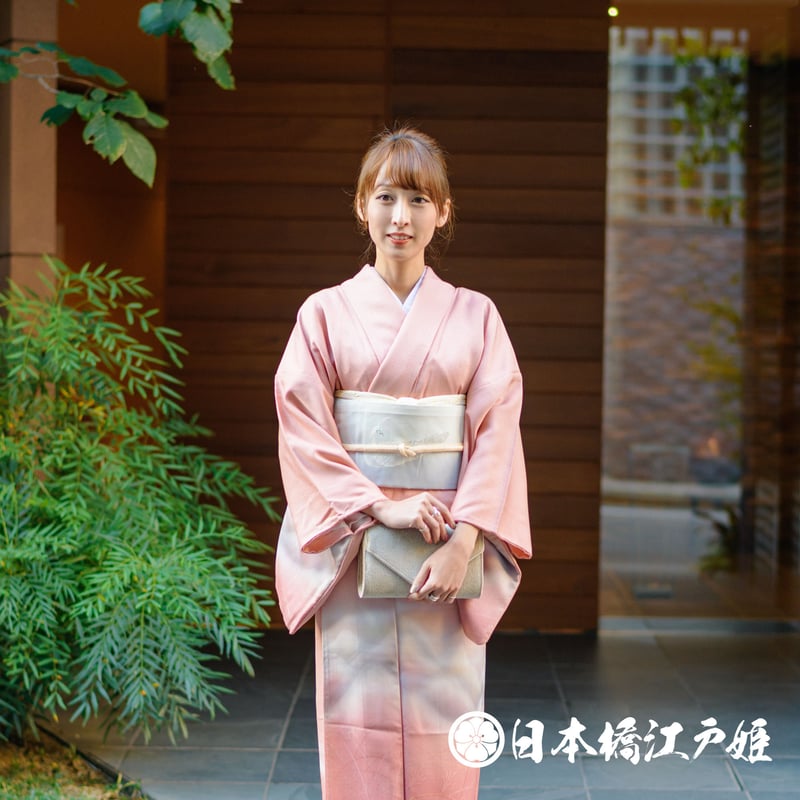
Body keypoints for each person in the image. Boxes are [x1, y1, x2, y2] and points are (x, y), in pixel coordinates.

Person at [274, 126, 532, 800]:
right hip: (358, 536)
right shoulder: (323, 314)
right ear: (362, 205)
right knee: (354, 703)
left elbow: (497, 433)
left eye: (419, 200)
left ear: (442, 213)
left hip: (445, 539)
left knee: (445, 708)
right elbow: (302, 424)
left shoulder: (477, 316)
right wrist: (377, 507)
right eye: (386, 197)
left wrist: (465, 541)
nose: (400, 217)